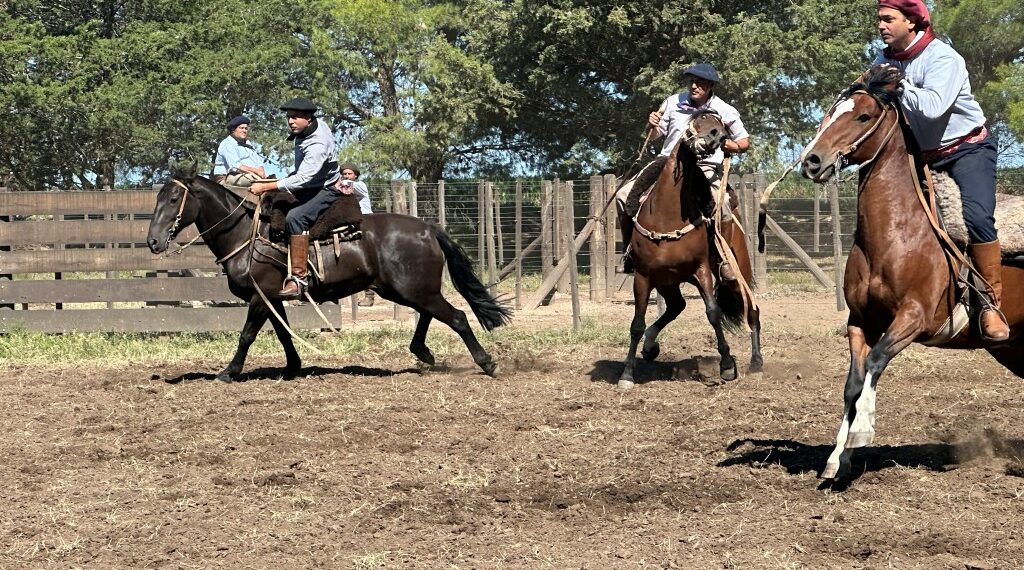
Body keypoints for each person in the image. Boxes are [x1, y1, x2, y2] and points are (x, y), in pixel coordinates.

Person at [872, 0, 1008, 341]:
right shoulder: (883, 59)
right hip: (920, 153)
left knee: (976, 217)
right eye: (879, 20)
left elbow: (932, 109)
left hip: (968, 150)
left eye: (888, 19)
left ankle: (991, 305)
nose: (881, 26)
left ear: (912, 22)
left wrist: (898, 85)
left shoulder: (943, 58)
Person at [615, 63, 750, 279]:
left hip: (705, 167)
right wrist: (651, 125)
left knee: (722, 204)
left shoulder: (725, 110)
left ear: (710, 85)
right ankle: (629, 253)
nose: (694, 86)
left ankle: (723, 258)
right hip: (666, 163)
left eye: (700, 83)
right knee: (623, 196)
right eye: (691, 82)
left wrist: (727, 144)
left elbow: (744, 142)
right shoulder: (672, 102)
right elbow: (656, 135)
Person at [250, 98, 341, 298]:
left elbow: (303, 178)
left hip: (325, 188)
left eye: (295, 117)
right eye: (289, 117)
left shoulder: (318, 143)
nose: (290, 121)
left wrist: (266, 185)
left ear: (308, 118)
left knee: (295, 218)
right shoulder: (307, 130)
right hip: (312, 183)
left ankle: (299, 279)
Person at [335, 164, 376, 306]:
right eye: (344, 174)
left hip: (366, 221)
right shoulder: (342, 187)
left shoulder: (360, 185)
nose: (346, 176)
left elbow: (351, 187)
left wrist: (339, 182)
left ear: (355, 175)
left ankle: (369, 293)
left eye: (349, 174)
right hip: (351, 221)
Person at [213, 115, 266, 186]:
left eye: (246, 128)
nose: (244, 131)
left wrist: (261, 170)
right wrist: (257, 172)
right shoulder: (227, 144)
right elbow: (236, 167)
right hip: (229, 177)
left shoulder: (248, 143)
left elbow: (259, 163)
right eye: (241, 128)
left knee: (274, 184)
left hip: (249, 175)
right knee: (257, 181)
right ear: (233, 129)